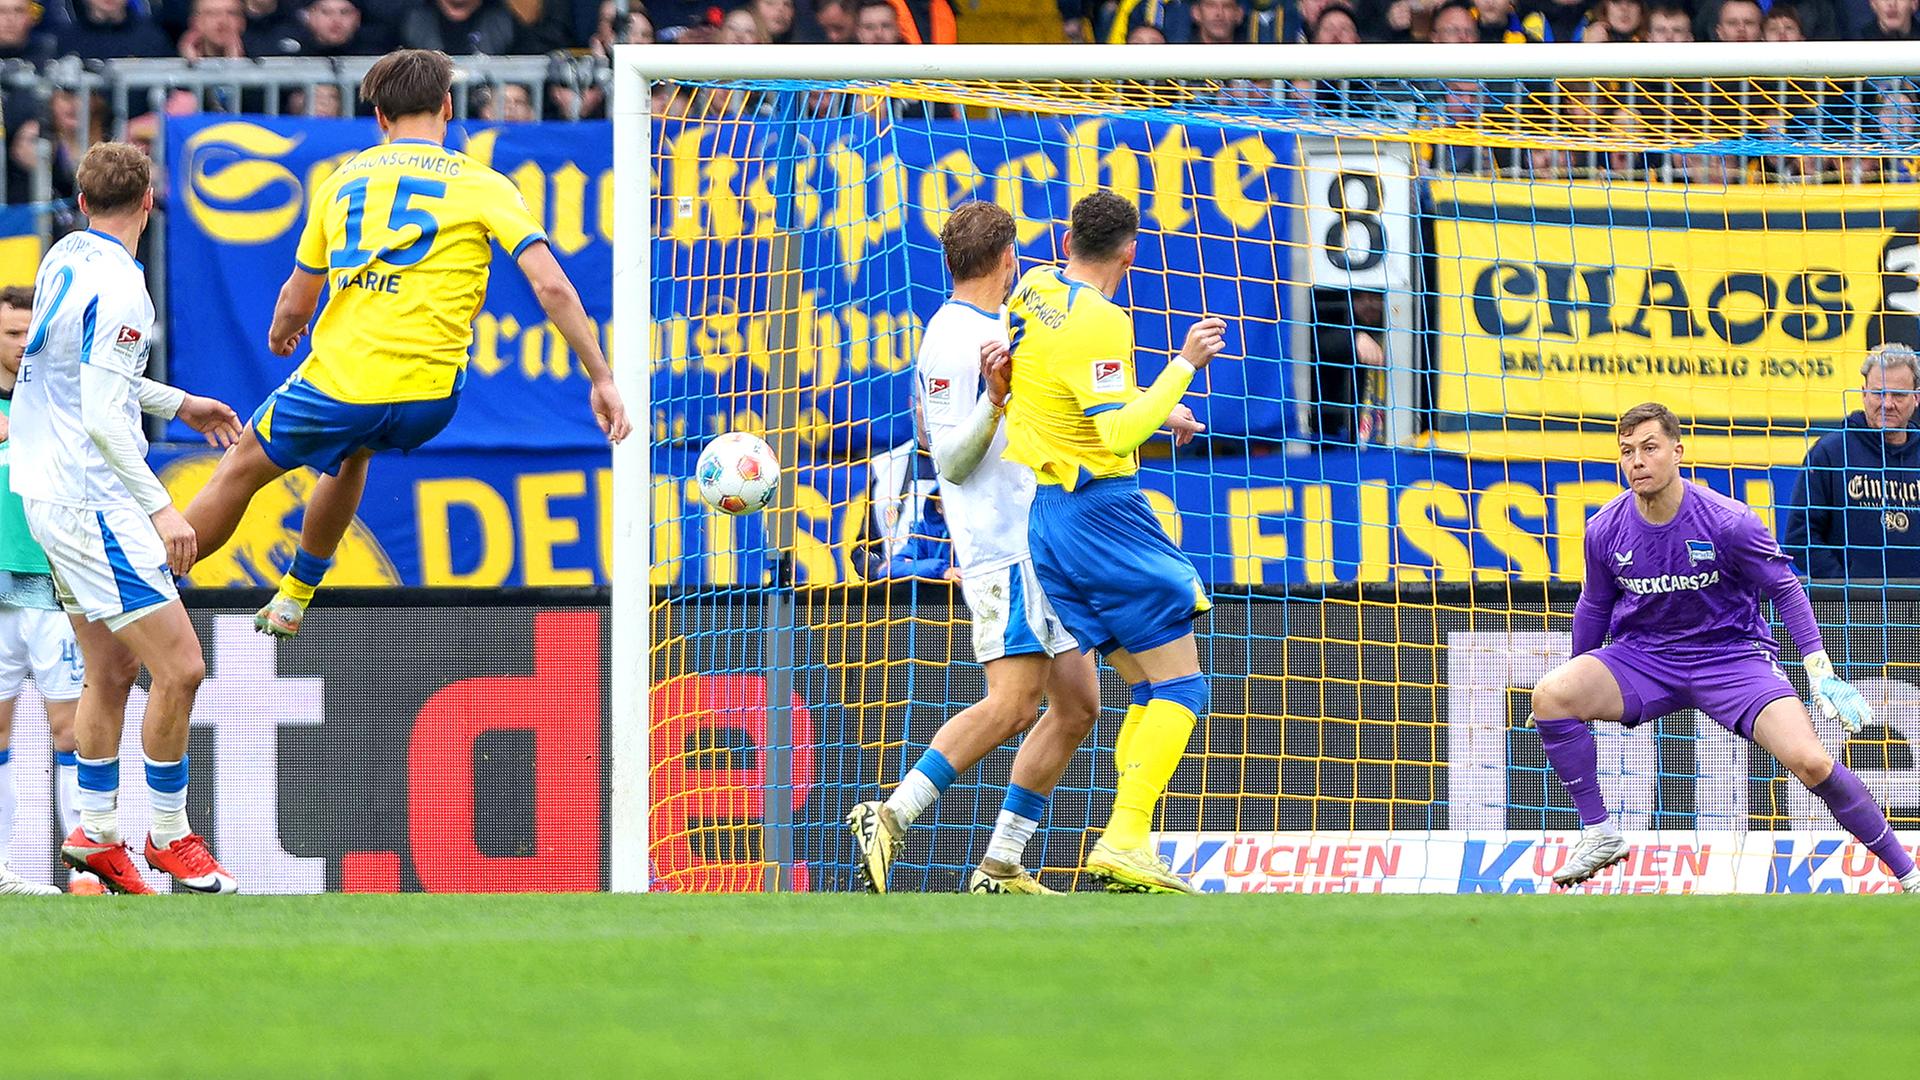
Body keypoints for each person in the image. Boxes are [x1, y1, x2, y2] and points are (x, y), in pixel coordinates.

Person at [184, 49, 630, 640]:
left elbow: (297, 298)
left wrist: (281, 331)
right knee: (352, 452)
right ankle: (294, 594)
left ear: (379, 118)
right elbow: (551, 285)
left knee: (242, 465)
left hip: (344, 386)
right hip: (431, 400)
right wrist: (601, 377)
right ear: (446, 106)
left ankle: (145, 587)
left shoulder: (342, 180)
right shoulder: (483, 183)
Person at [1528, 402, 1919, 893]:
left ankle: (1907, 873)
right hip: (1644, 658)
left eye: (1649, 448)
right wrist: (1577, 671)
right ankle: (1601, 833)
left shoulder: (1729, 522)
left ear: (1677, 451)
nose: (1637, 461)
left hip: (1732, 658)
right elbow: (1594, 605)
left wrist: (1819, 669)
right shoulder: (1604, 528)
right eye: (1627, 451)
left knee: (1811, 761)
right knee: (1550, 696)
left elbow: (1786, 588)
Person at [846, 202, 1101, 896]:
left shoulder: (995, 327)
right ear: (1007, 257)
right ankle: (890, 813)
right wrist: (995, 397)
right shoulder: (953, 339)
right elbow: (950, 461)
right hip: (1004, 546)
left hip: (1038, 538)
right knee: (1015, 702)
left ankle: (1001, 864)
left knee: (1077, 705)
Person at [9, 143, 245, 895]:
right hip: (91, 499)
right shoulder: (124, 291)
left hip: (43, 492)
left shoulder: (64, 258)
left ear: (81, 203)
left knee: (112, 668)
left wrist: (179, 402)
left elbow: (82, 378)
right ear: (150, 202)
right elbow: (107, 420)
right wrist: (164, 508)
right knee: (183, 667)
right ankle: (169, 835)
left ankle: (96, 829)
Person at [1002, 191, 1220, 894]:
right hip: (1103, 515)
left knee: (1147, 688)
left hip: (1049, 518)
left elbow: (1060, 390)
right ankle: (1124, 838)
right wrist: (1183, 365)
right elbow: (1117, 434)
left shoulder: (1033, 288)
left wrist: (1160, 408)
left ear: (1067, 237)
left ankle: (1130, 843)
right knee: (1184, 685)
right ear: (1130, 252)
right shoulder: (1104, 320)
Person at [0, 285, 78, 895]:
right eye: (10, 333)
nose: (24, 343)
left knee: (72, 731)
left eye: (31, 333)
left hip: (53, 584)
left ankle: (86, 868)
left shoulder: (58, 400)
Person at [1784, 344, 1920, 580]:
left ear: (1916, 398)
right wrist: (1847, 588)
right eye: (1879, 393)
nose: (1887, 404)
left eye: (1899, 394)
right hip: (1854, 609)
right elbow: (1800, 537)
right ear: (1863, 393)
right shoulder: (1830, 454)